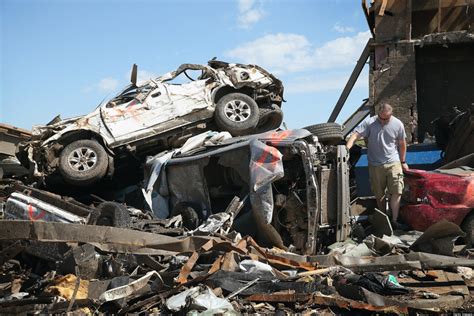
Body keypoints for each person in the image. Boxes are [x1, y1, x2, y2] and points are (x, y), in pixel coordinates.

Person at [346, 103, 409, 229]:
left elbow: (402, 144)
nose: (383, 120)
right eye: (380, 118)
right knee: (379, 194)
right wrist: (347, 148)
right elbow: (356, 134)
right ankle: (384, 218)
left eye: (386, 118)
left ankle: (395, 219)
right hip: (375, 164)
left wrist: (403, 161)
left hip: (393, 162)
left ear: (391, 115)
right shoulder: (370, 122)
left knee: (396, 191)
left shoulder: (398, 124)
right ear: (378, 114)